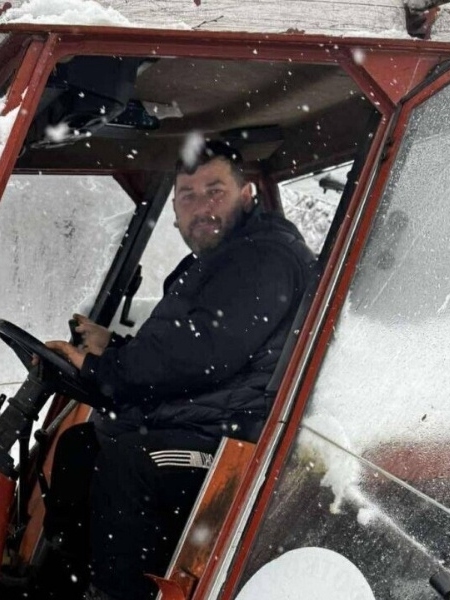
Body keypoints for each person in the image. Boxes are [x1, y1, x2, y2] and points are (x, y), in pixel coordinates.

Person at [38, 141, 316, 600]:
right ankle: (59, 587)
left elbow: (202, 351)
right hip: (202, 421)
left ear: (247, 195)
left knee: (131, 461)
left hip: (239, 441)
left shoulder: (264, 258)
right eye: (188, 196)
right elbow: (184, 350)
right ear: (174, 212)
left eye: (215, 191)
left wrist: (104, 368)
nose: (201, 207)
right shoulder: (224, 257)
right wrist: (112, 350)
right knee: (80, 445)